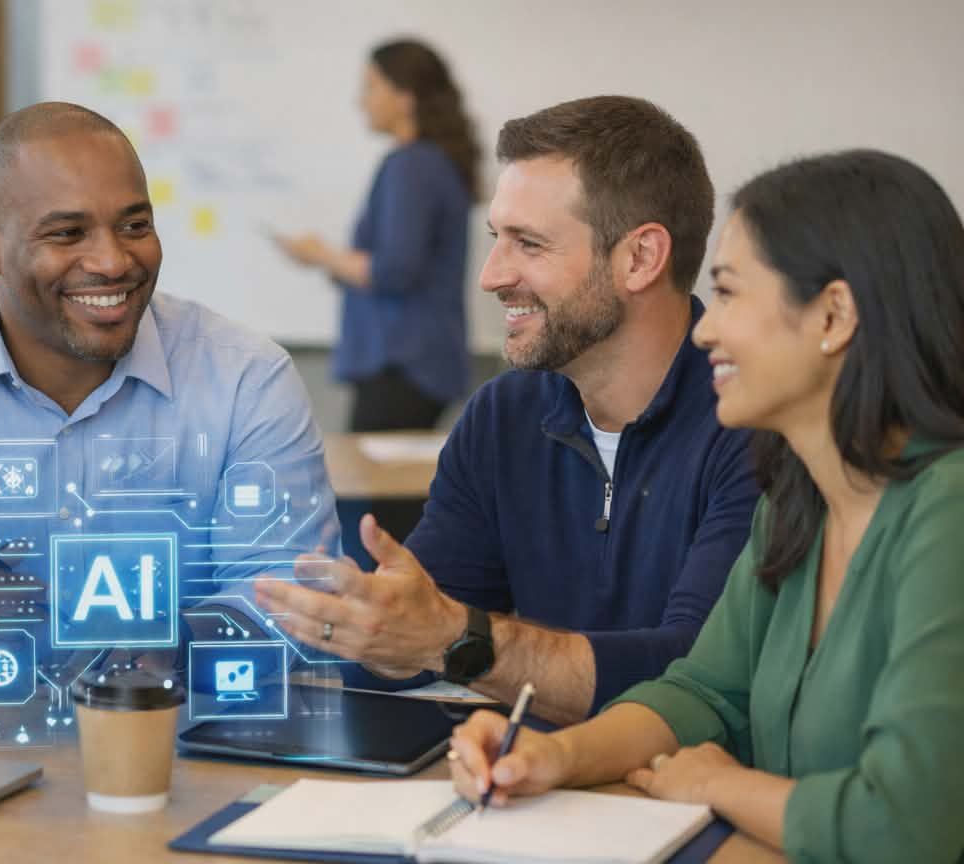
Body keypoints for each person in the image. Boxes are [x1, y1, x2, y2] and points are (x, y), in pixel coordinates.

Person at [448, 150, 964, 860]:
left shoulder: (948, 511)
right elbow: (703, 693)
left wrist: (724, 785)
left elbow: (905, 827)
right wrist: (553, 757)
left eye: (728, 294)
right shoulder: (798, 500)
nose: (703, 330)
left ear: (835, 314)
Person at [0, 102, 339, 670]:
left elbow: (297, 596)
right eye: (68, 233)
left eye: (134, 226)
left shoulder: (247, 377)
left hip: (178, 736)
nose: (113, 261)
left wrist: (172, 644)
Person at [257, 96, 759, 723]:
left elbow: (699, 674)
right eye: (498, 239)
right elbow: (420, 627)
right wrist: (372, 629)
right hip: (525, 783)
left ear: (640, 258)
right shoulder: (503, 415)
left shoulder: (754, 423)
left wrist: (457, 640)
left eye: (529, 244)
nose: (491, 276)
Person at [275, 39, 479, 431]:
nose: (361, 100)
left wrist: (320, 253)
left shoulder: (412, 166)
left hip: (403, 365)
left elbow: (394, 271)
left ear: (404, 97)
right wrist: (329, 261)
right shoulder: (428, 162)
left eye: (371, 86)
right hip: (411, 364)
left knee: (372, 491)